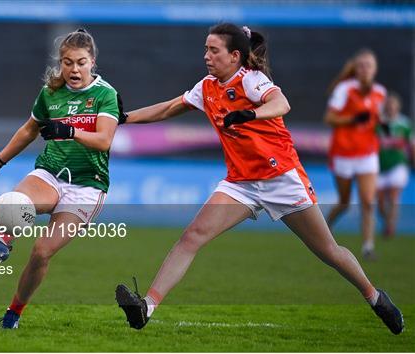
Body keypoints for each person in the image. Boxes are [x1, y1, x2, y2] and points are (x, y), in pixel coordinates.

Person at [115, 23, 403, 335]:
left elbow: (282, 104)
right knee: (192, 236)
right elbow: (171, 107)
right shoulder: (207, 86)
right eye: (206, 49)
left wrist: (249, 114)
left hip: (281, 178)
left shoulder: (252, 80)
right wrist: (126, 117)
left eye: (214, 50)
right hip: (241, 183)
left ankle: (376, 299)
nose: (206, 56)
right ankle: (147, 307)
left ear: (235, 55)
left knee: (328, 251)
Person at [0, 29, 123, 329]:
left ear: (92, 62)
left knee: (41, 252)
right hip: (51, 173)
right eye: (67, 62)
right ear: (60, 63)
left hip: (87, 187)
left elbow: (105, 140)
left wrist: (70, 131)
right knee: (13, 202)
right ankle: (0, 243)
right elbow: (28, 130)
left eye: (81, 62)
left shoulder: (105, 94)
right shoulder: (51, 92)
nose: (74, 69)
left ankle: (13, 314)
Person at [324, 49, 386, 260]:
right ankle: (325, 229)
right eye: (361, 65)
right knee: (344, 201)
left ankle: (368, 247)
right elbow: (330, 118)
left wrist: (383, 125)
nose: (365, 69)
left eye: (369, 65)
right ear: (356, 69)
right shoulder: (345, 89)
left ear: (375, 69)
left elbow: (377, 119)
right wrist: (352, 119)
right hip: (344, 153)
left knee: (368, 201)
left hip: (367, 154)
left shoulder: (380, 92)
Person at [377, 92, 414, 238]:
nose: (391, 107)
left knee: (393, 197)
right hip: (379, 167)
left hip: (398, 165)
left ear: (398, 107)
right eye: (388, 104)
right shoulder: (379, 123)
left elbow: (411, 145)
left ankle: (391, 227)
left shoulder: (404, 124)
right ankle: (387, 221)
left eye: (393, 104)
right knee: (379, 202)